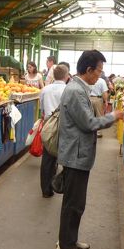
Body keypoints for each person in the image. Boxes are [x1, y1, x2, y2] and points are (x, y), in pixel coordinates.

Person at [56, 50, 124, 249]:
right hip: (76, 155)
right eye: (99, 72)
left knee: (75, 201)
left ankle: (69, 239)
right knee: (74, 203)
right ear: (88, 70)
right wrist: (113, 116)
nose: (100, 76)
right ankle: (66, 245)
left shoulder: (79, 88)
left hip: (78, 153)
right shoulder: (76, 91)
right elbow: (89, 124)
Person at [38, 64, 69, 198]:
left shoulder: (45, 89)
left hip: (48, 127)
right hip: (65, 127)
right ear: (66, 76)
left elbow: (41, 109)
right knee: (67, 158)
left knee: (48, 158)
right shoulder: (68, 90)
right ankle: (61, 186)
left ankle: (46, 190)